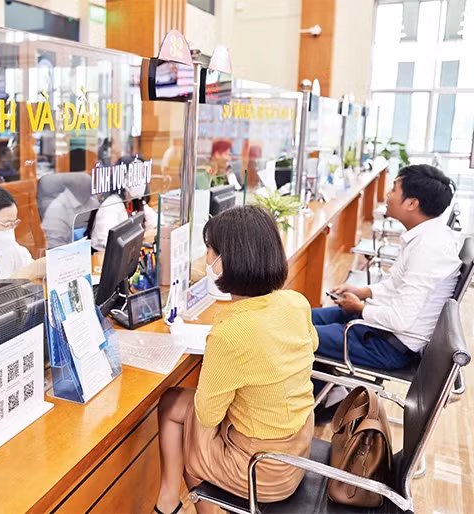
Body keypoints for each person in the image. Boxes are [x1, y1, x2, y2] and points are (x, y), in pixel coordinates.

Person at [155, 206, 317, 514]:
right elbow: (310, 345)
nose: (206, 261)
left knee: (195, 441)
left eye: (209, 252)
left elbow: (208, 414)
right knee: (172, 401)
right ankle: (167, 503)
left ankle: (167, 504)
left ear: (227, 261)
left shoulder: (230, 333)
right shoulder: (296, 302)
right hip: (297, 450)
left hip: (262, 471)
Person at [312, 165, 461, 379]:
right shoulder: (428, 236)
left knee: (295, 334)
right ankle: (330, 395)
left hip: (386, 345)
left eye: (393, 189)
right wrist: (363, 292)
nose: (388, 196)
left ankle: (327, 401)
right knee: (296, 318)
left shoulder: (428, 249)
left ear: (412, 203)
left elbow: (401, 320)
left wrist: (360, 307)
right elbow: (396, 286)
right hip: (378, 326)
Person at [88, 156, 158, 252]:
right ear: (122, 179)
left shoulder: (135, 202)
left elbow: (156, 222)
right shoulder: (111, 205)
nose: (140, 181)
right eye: (135, 176)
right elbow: (106, 242)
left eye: (142, 176)